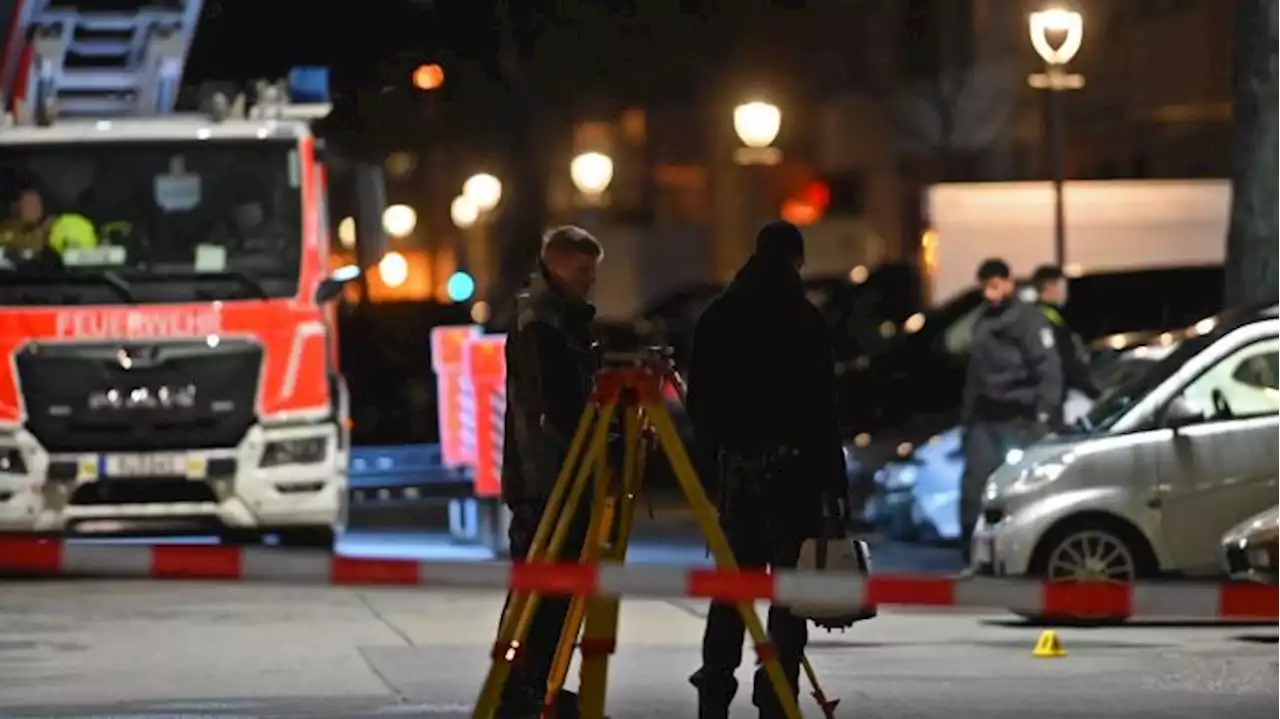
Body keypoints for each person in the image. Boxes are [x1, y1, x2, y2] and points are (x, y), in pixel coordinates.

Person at [685, 221, 846, 719]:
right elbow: (823, 409)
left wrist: (718, 461)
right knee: (788, 594)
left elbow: (700, 406)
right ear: (796, 259)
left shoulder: (719, 316)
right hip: (795, 474)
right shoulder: (804, 318)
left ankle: (714, 691)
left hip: (739, 473)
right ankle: (777, 692)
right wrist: (834, 484)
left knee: (732, 591)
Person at [496, 225, 604, 719]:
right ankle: (522, 692)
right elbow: (557, 404)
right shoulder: (542, 321)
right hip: (549, 478)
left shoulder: (552, 315)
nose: (590, 282)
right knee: (541, 594)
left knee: (553, 592)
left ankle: (541, 685)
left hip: (552, 473)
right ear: (558, 266)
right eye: (583, 271)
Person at [959, 259, 1063, 563]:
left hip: (1021, 419)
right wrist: (968, 421)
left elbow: (1048, 370)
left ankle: (1024, 559)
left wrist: (1043, 414)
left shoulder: (1028, 320)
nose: (990, 294)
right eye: (985, 287)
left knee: (1024, 492)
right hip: (986, 420)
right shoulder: (983, 322)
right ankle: (975, 558)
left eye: (995, 286)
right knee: (974, 491)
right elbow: (974, 376)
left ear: (1008, 282)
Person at [1031, 265, 1100, 422]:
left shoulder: (1045, 316)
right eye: (1062, 286)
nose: (1065, 292)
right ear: (1050, 287)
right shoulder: (1044, 320)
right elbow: (1064, 360)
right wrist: (1089, 389)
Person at [0, 186, 53, 257]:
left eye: (36, 205)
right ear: (16, 208)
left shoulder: (51, 230)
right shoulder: (6, 231)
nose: (33, 209)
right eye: (28, 204)